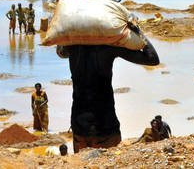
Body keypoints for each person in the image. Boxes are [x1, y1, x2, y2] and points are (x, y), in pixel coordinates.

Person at [56, 25, 159, 153]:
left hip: (79, 127)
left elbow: (60, 49)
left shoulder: (71, 47)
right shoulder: (109, 47)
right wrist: (137, 31)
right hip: (105, 126)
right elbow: (152, 59)